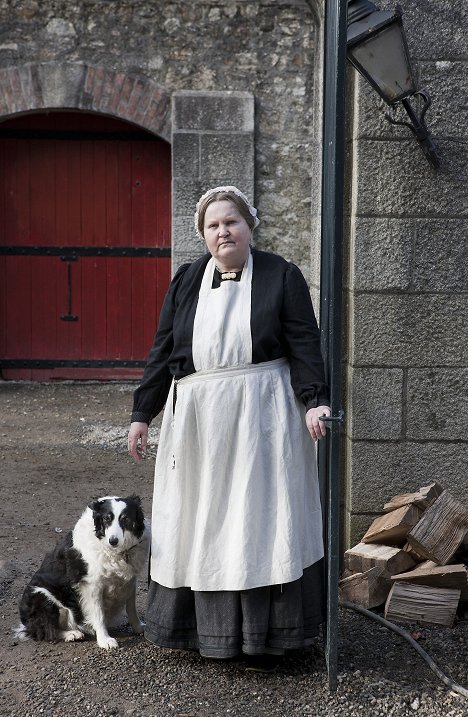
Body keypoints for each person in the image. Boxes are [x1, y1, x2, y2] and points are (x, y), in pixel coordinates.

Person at [128, 186, 331, 670]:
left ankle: (272, 634)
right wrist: (142, 413)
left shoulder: (283, 275)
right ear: (203, 234)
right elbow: (162, 351)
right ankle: (201, 630)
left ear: (250, 225)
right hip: (198, 422)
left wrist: (314, 403)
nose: (224, 231)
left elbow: (305, 344)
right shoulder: (185, 281)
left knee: (258, 516)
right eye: (213, 225)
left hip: (264, 416)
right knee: (203, 515)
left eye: (232, 221)